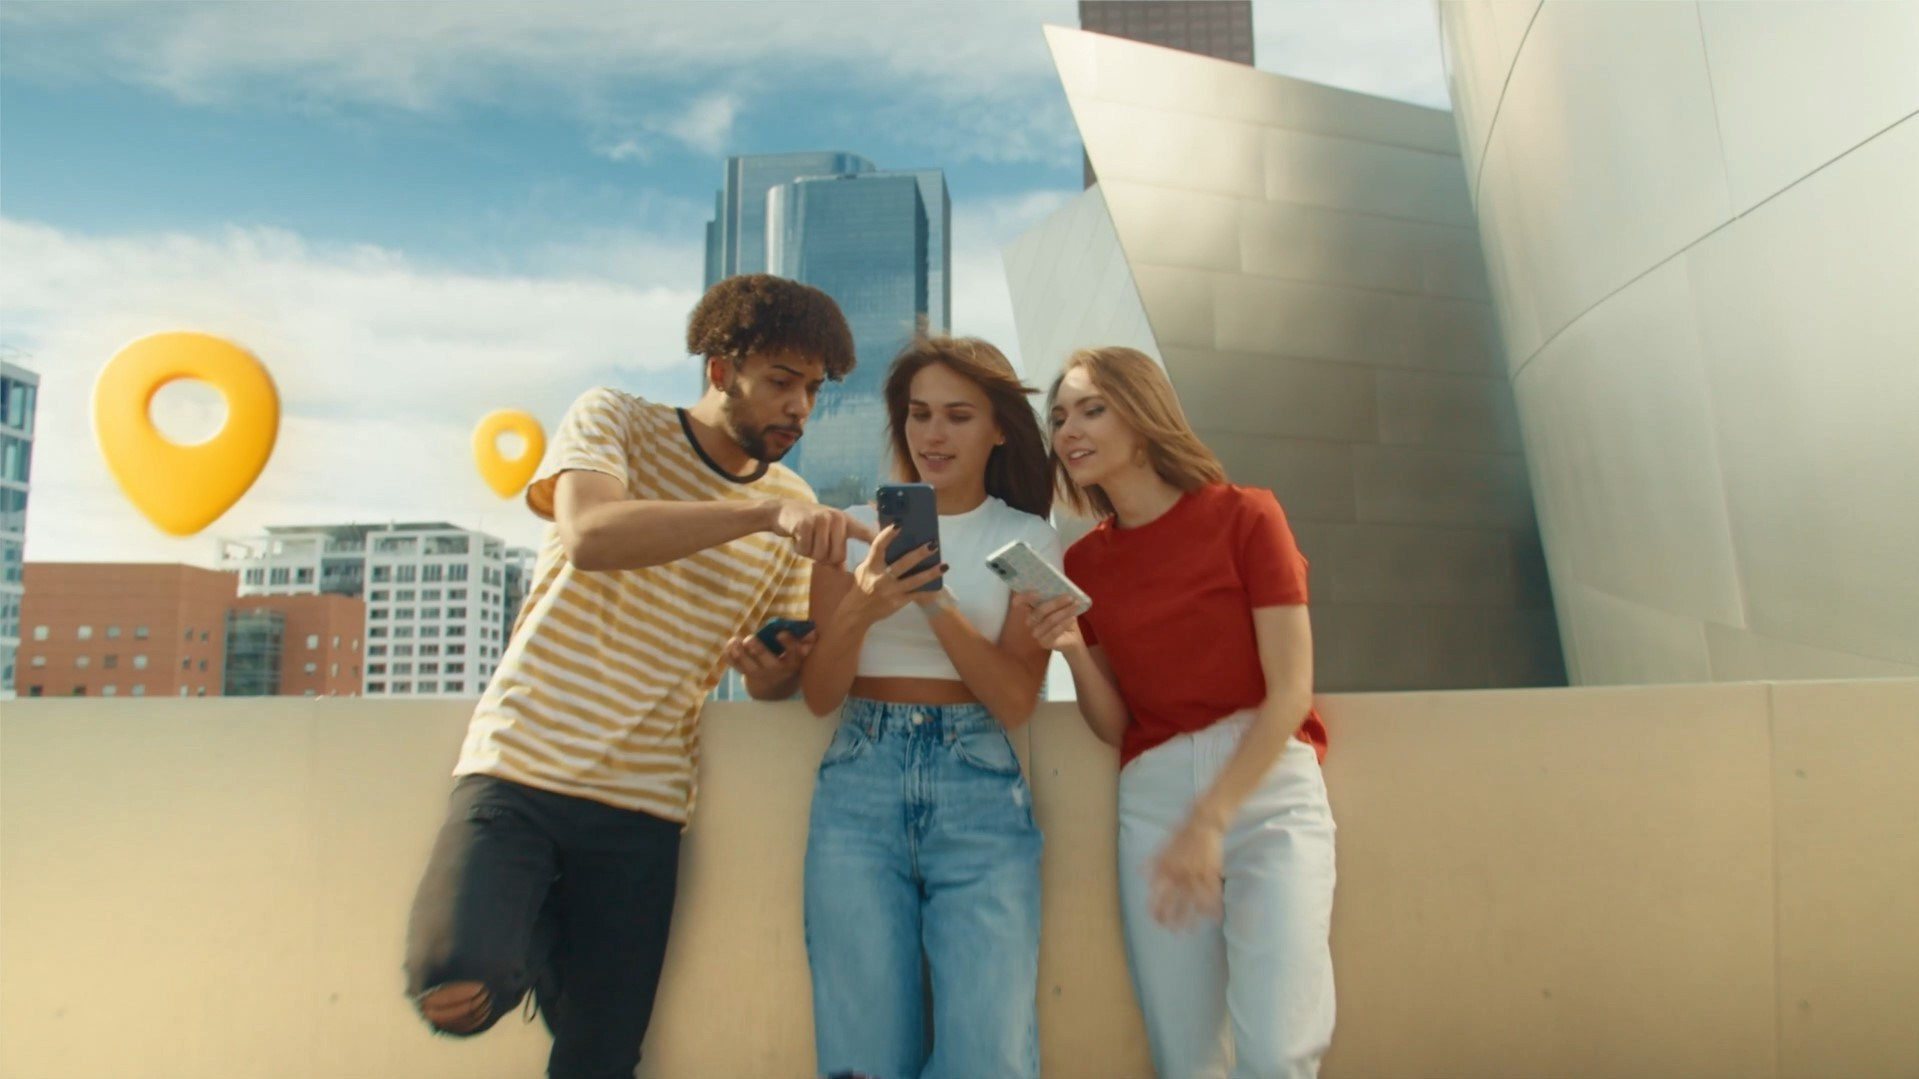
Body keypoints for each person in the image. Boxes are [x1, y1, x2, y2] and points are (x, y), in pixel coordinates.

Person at [402, 273, 873, 1079]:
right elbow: (590, 533)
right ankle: (528, 943)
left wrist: (773, 668)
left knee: (601, 1059)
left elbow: (771, 683)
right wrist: (760, 514)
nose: (799, 407)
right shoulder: (615, 418)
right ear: (721, 370)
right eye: (781, 381)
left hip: (644, 803)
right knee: (454, 978)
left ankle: (548, 945)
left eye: (813, 389)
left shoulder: (792, 498)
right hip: (519, 765)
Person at [743, 336, 1058, 1079]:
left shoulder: (1029, 539)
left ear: (999, 429)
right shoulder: (849, 529)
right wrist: (861, 602)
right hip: (858, 779)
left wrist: (932, 598)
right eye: (919, 414)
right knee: (862, 1051)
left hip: (980, 785)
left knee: (990, 1051)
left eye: (957, 416)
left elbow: (1015, 699)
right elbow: (821, 694)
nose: (933, 434)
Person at [1027, 346, 1336, 1079]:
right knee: (1186, 1056)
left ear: (1143, 418)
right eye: (1059, 417)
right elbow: (1115, 725)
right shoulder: (1084, 564)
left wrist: (1211, 819)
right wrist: (1071, 651)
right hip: (1154, 797)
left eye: (1092, 409)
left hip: (1266, 788)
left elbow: (1290, 692)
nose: (1069, 430)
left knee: (1277, 1049)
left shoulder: (1247, 516)